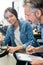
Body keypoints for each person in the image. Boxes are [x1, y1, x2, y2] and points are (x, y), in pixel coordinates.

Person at [25, 0, 43, 65]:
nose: (26, 19)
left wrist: (41, 62)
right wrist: (35, 49)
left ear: (38, 13)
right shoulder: (39, 26)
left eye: (28, 15)